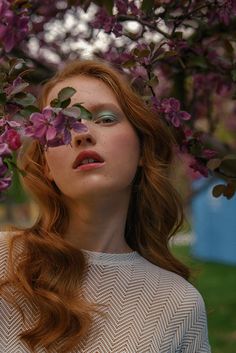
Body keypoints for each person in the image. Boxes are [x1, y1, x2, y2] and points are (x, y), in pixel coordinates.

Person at [0, 59, 211, 353]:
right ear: (46, 165)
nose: (82, 134)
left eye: (107, 118)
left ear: (141, 148)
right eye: (62, 124)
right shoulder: (4, 260)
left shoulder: (178, 304)